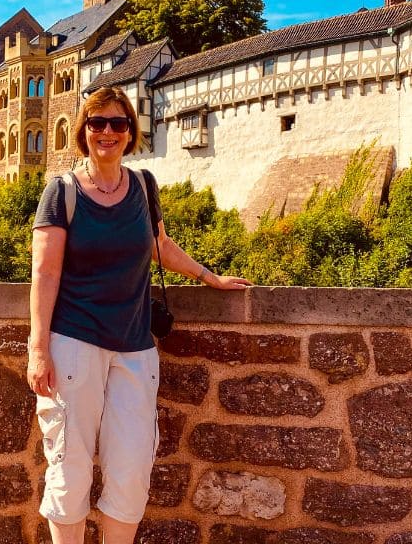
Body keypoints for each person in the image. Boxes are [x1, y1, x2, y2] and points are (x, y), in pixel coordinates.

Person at [27, 87, 250, 544]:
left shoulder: (144, 185)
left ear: (131, 131)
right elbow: (45, 273)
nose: (107, 132)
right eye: (97, 123)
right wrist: (38, 349)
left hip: (135, 348)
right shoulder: (62, 192)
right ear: (83, 132)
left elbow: (159, 246)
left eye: (118, 123)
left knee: (131, 470)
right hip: (74, 343)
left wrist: (210, 277)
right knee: (69, 464)